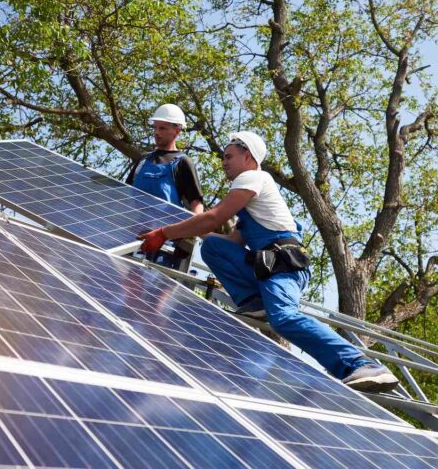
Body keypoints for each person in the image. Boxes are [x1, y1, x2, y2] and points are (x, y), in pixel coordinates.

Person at [138, 131, 400, 393]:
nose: (223, 162)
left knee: (284, 317)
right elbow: (231, 242)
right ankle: (255, 303)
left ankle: (362, 364)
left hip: (284, 266)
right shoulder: (251, 203)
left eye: (229, 156)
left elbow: (213, 218)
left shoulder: (253, 178)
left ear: (248, 156)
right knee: (214, 247)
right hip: (267, 266)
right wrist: (188, 227)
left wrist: (164, 233)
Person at [127, 104, 205, 269]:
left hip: (165, 244)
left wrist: (188, 235)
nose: (156, 132)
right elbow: (123, 197)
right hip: (133, 239)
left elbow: (196, 205)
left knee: (158, 291)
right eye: (155, 127)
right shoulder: (142, 161)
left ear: (177, 131)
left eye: (162, 128)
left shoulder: (183, 163)